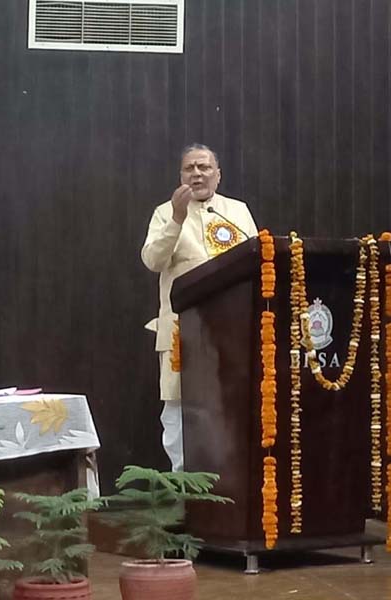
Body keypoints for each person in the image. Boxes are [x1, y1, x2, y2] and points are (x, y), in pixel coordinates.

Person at [141, 143, 258, 471]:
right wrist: (177, 221)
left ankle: (233, 485)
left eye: (204, 167)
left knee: (233, 408)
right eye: (190, 168)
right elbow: (152, 260)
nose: (197, 173)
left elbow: (258, 260)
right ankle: (184, 489)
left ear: (218, 175)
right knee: (179, 414)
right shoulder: (165, 213)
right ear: (181, 176)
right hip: (183, 333)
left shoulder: (237, 211)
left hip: (233, 332)